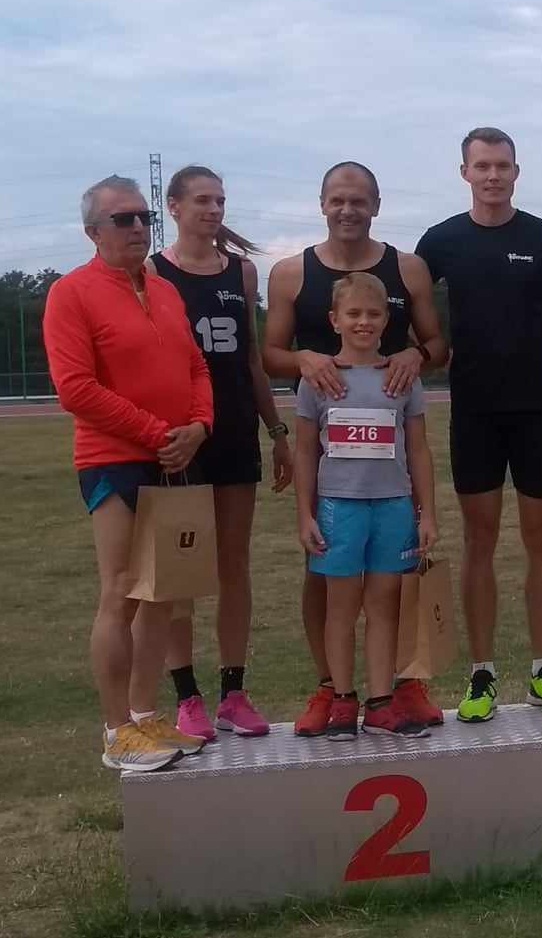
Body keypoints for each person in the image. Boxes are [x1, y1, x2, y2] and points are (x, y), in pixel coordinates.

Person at [263, 161, 447, 735]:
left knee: (392, 591)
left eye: (359, 200)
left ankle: (394, 689)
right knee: (327, 588)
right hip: (334, 471)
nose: (348, 210)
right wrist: (303, 359)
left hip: (387, 468)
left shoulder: (407, 268)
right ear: (322, 203)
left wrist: (416, 354)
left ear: (376, 205)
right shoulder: (291, 273)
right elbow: (269, 354)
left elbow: (436, 344)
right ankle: (332, 689)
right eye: (338, 200)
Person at [43, 176, 214, 771]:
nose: (138, 227)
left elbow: (196, 367)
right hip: (113, 459)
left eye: (144, 216)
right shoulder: (71, 293)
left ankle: (145, 716)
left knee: (162, 594)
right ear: (93, 231)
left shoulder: (164, 291)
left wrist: (199, 426)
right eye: (123, 219)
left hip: (175, 455)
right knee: (120, 591)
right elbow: (75, 388)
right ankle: (117, 731)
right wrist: (155, 432)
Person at [417, 128, 542, 722]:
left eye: (503, 166)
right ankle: (482, 674)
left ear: (517, 171)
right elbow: (413, 316)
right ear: (464, 172)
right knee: (479, 541)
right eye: (482, 166)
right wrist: (425, 352)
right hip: (474, 411)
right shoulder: (440, 241)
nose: (493, 176)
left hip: (539, 412)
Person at [148, 166, 291, 741]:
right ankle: (187, 697)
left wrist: (276, 431)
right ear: (174, 206)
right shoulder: (152, 271)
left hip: (233, 432)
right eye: (202, 200)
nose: (213, 209)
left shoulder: (241, 270)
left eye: (220, 201)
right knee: (180, 570)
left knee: (234, 566)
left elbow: (251, 358)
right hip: (181, 440)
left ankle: (234, 692)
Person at [294, 272, 438, 737]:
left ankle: (380, 702)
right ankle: (342, 698)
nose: (363, 322)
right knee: (340, 609)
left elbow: (419, 450)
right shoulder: (317, 381)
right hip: (339, 509)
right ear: (334, 320)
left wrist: (427, 513)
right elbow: (304, 452)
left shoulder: (402, 379)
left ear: (386, 320)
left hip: (393, 507)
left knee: (384, 608)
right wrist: (305, 513)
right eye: (353, 313)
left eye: (373, 314)